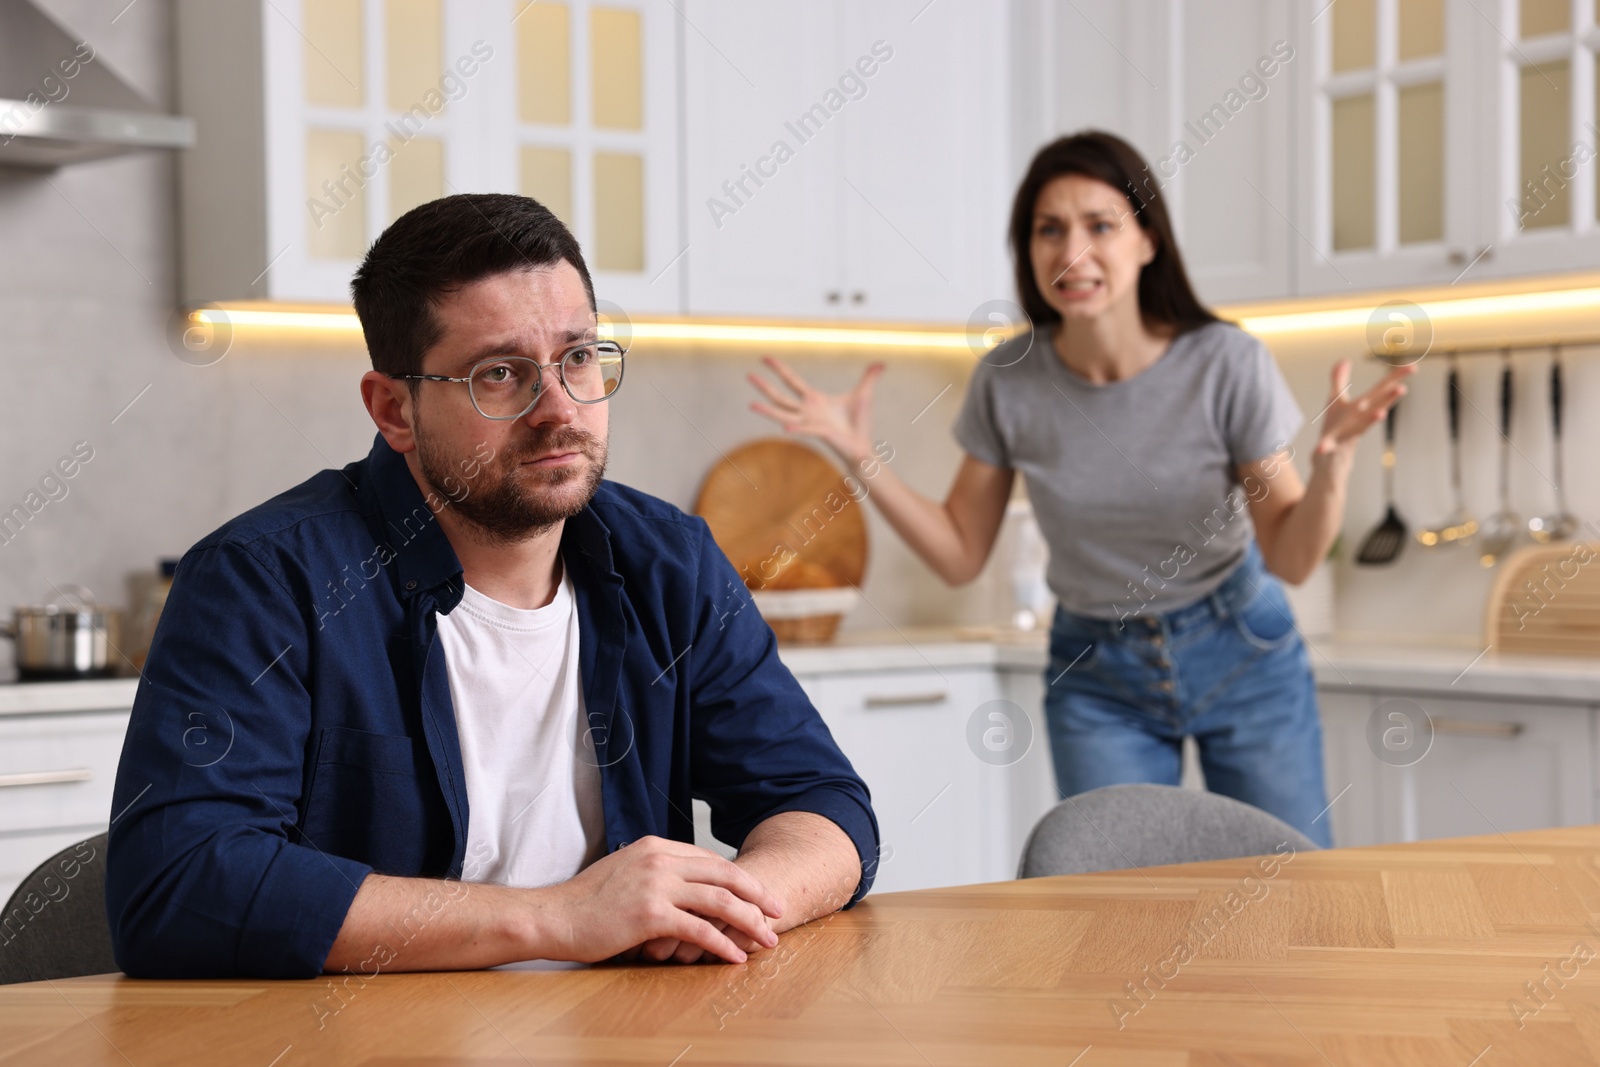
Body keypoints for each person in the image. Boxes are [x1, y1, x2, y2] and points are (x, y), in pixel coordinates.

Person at [106, 193, 878, 980]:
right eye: (500, 374)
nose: (559, 409)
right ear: (394, 410)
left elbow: (823, 804)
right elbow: (180, 884)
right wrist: (559, 916)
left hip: (626, 1035)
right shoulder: (263, 580)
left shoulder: (671, 563)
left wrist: (732, 902)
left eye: (578, 357)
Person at [749, 131, 1413, 848]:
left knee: (1291, 889)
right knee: (1119, 909)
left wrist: (1335, 464)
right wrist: (858, 455)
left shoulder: (1225, 362)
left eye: (1101, 225)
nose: (1073, 252)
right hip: (1099, 673)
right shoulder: (1012, 379)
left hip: (1242, 650)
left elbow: (1291, 555)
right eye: (1049, 229)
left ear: (1148, 240)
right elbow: (960, 553)